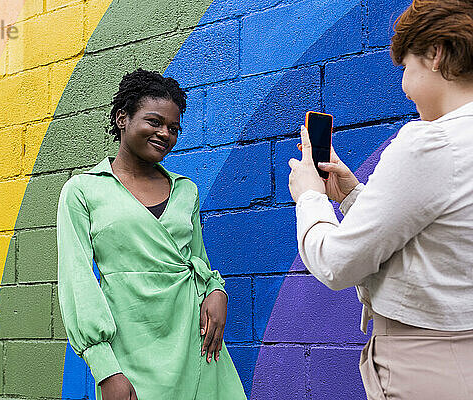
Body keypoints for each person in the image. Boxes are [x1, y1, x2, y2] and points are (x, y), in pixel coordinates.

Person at [287, 1, 473, 399]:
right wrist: (353, 195)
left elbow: (336, 264)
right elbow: (431, 236)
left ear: (436, 54)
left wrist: (309, 197)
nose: (404, 86)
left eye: (406, 67)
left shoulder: (430, 141)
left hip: (425, 362)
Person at [57, 68, 246, 400]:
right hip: (131, 351)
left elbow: (197, 260)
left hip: (197, 344)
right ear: (122, 118)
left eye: (173, 128)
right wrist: (105, 369)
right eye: (154, 122)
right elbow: (77, 281)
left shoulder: (186, 190)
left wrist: (217, 291)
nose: (165, 134)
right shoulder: (83, 191)